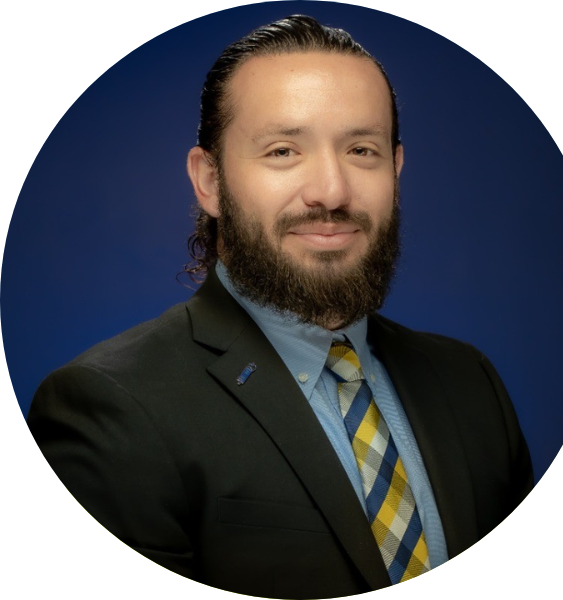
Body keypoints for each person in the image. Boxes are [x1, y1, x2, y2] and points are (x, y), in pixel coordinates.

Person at [27, 15, 533, 597]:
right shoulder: (110, 410)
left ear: (395, 171)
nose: (332, 191)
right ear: (210, 181)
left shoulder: (470, 384)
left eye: (361, 150)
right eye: (283, 150)